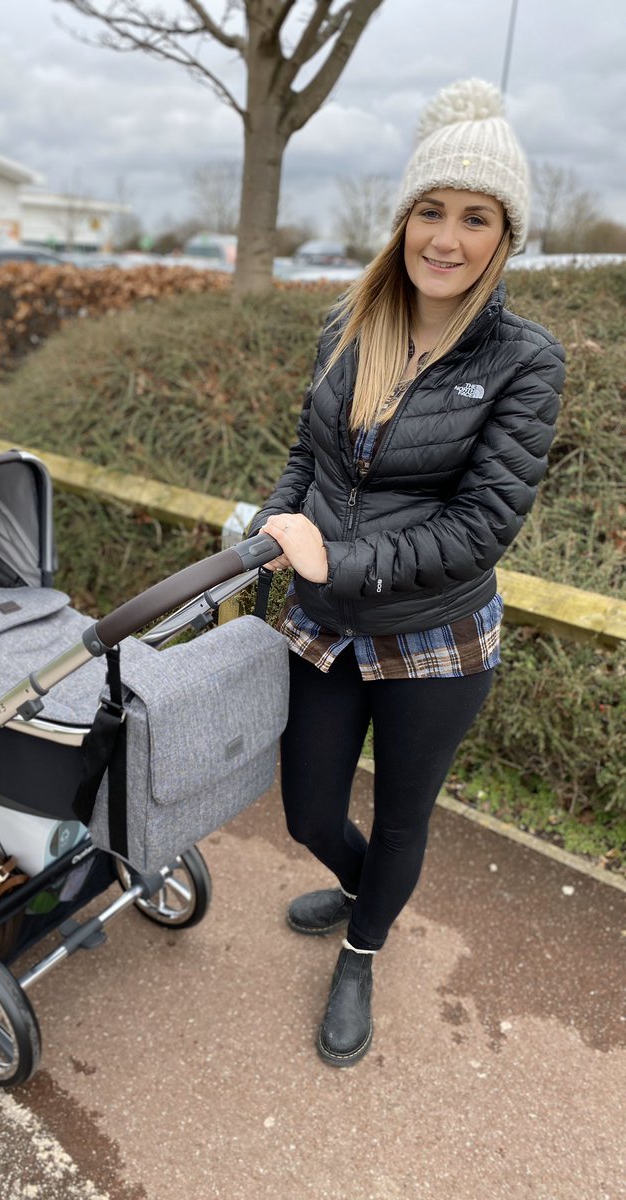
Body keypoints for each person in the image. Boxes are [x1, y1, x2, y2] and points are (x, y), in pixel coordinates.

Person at [251, 78, 566, 1067]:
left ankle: (362, 948)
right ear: (403, 221)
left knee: (401, 817)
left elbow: (480, 528)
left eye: (476, 218)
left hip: (439, 634)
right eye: (431, 210)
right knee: (307, 808)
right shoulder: (346, 328)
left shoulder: (524, 360)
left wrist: (336, 555)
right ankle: (360, 887)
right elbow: (309, 457)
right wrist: (275, 515)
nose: (447, 236)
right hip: (326, 622)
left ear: (503, 237)